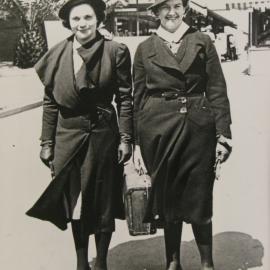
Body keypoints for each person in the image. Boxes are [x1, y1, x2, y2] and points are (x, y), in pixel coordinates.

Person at [26, 0, 133, 269]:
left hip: (102, 135)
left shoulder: (115, 50)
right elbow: (50, 102)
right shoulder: (57, 54)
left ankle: (102, 263)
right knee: (75, 201)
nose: (82, 24)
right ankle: (82, 262)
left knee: (104, 199)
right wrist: (47, 142)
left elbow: (124, 99)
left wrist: (125, 138)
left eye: (88, 17)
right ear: (68, 23)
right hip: (67, 136)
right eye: (76, 19)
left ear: (98, 19)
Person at [133, 0, 232, 269]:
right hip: (158, 132)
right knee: (167, 197)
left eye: (177, 5)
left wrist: (223, 134)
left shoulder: (202, 41)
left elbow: (217, 90)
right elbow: (138, 98)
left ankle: (207, 263)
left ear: (185, 9)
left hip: (199, 129)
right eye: (164, 7)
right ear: (155, 13)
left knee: (200, 195)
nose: (172, 12)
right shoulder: (144, 49)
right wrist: (137, 144)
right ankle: (173, 262)